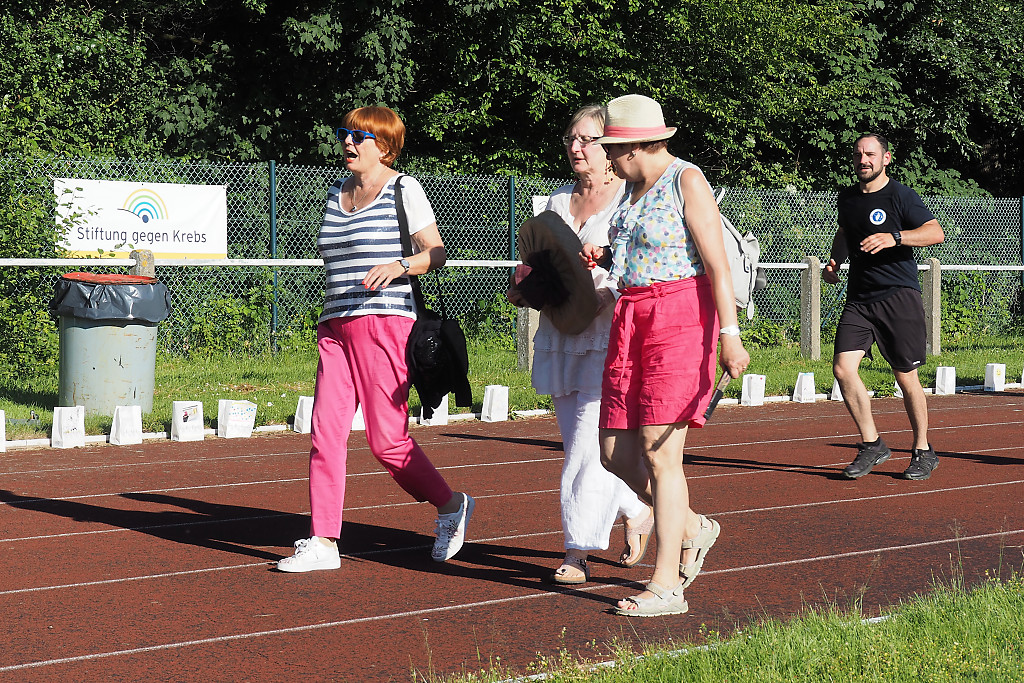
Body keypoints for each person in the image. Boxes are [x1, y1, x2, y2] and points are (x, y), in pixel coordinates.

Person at [278, 106, 474, 572]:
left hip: (387, 323)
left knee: (387, 442)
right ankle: (323, 540)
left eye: (359, 136)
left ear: (383, 145)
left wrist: (400, 265)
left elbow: (437, 252)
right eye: (345, 133)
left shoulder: (404, 189)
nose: (348, 142)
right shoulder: (334, 193)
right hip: (335, 325)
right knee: (325, 433)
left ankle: (451, 505)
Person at [584, 94, 750, 616]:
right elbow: (647, 247)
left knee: (661, 453)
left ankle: (666, 587)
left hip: (680, 317)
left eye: (610, 146)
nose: (604, 157)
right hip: (630, 316)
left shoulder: (686, 180)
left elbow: (717, 266)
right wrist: (610, 254)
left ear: (633, 145)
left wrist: (730, 333)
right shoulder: (629, 191)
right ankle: (694, 527)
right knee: (614, 452)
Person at [507, 105, 653, 585]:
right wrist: (524, 284)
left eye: (586, 140)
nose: (575, 148)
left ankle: (577, 550)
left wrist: (603, 292)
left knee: (589, 447)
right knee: (578, 442)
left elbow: (633, 265)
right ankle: (636, 505)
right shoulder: (551, 204)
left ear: (608, 149)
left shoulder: (628, 203)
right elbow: (536, 261)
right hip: (559, 333)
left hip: (609, 335)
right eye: (571, 139)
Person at [824, 133, 945, 481]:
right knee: (843, 370)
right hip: (860, 300)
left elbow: (934, 232)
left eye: (871, 154)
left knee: (905, 376)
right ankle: (872, 444)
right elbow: (844, 233)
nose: (864, 159)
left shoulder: (900, 195)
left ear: (886, 158)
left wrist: (895, 237)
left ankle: (923, 449)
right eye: (859, 154)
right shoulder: (847, 197)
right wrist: (836, 262)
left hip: (898, 297)